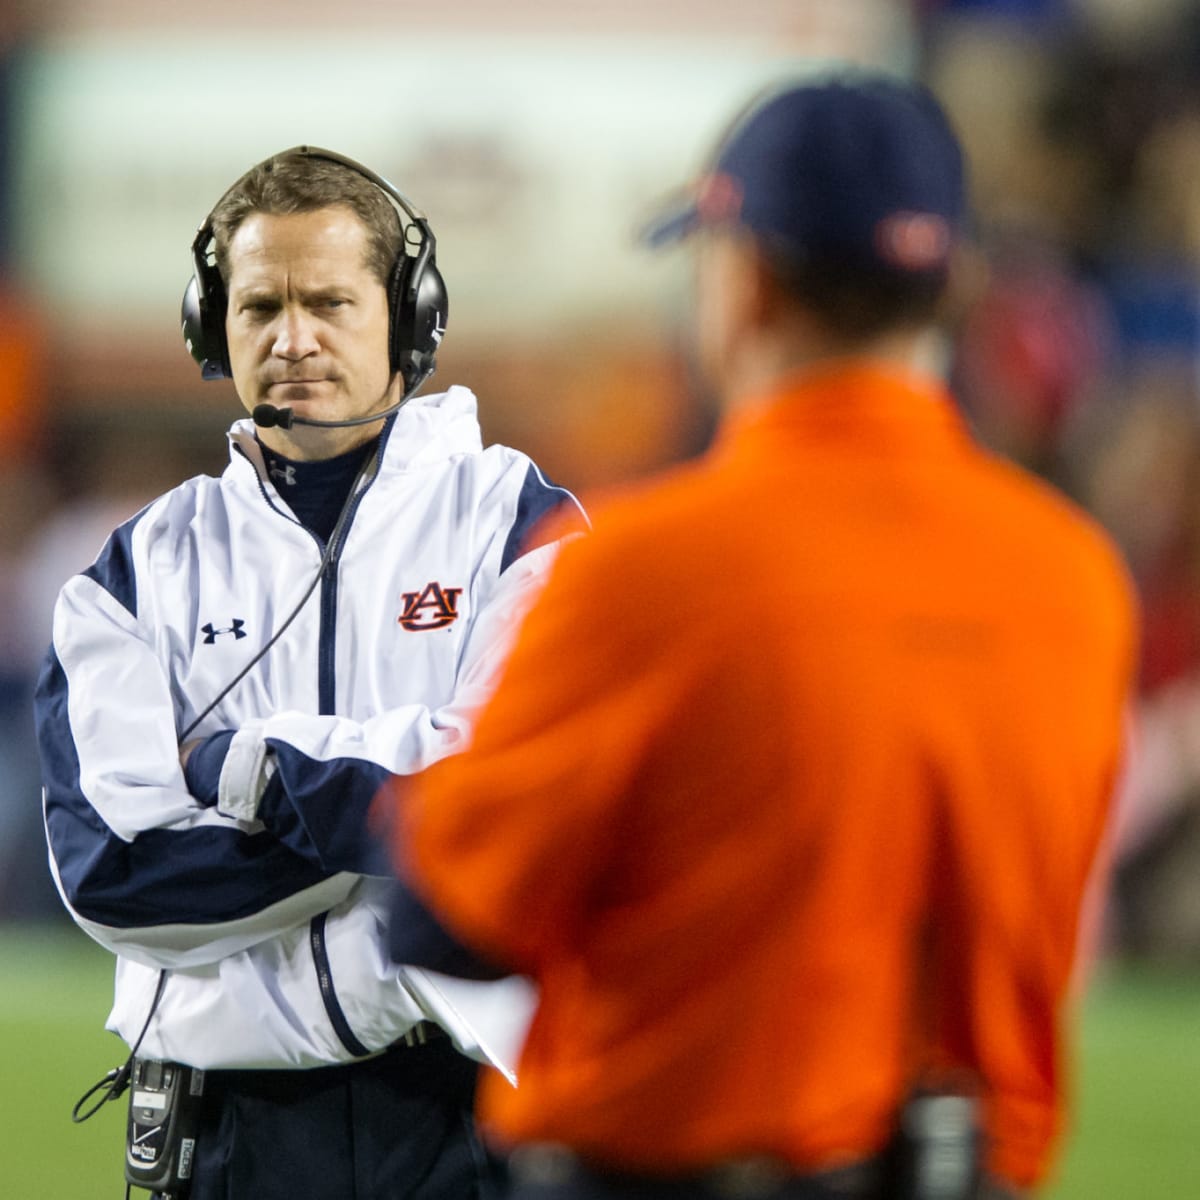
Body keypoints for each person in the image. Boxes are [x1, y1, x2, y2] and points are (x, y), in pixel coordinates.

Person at [380, 75, 1138, 1200]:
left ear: (743, 283)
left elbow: (443, 920)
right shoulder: (1076, 576)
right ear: (947, 286)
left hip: (658, 1171)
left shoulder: (640, 566)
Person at [35, 145, 585, 1199]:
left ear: (410, 315)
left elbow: (521, 804)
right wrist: (409, 808)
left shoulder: (520, 524)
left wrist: (246, 776)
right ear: (214, 326)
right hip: (228, 1131)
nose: (294, 339)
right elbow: (112, 877)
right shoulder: (134, 573)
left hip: (471, 1118)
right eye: (258, 307)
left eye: (330, 300)